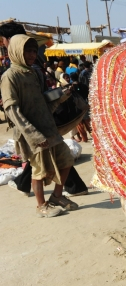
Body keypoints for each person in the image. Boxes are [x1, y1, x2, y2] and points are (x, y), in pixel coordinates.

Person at [1, 35, 79, 217]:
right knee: (38, 170)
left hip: (48, 128)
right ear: (17, 51)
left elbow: (43, 104)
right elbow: (12, 110)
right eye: (27, 50)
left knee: (66, 160)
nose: (32, 54)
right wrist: (34, 135)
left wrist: (62, 97)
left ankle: (57, 197)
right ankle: (41, 206)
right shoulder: (10, 77)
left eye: (34, 50)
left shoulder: (34, 73)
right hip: (30, 132)